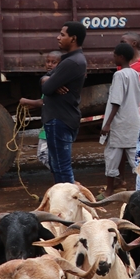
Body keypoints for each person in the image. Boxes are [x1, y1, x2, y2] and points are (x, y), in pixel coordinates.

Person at [38, 20, 88, 184]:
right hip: (61, 118)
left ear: (73, 38)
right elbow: (46, 80)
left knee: (61, 168)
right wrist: (49, 81)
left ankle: (68, 198)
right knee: (57, 166)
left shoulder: (71, 62)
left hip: (60, 119)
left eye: (62, 34)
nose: (58, 37)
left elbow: (46, 88)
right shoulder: (70, 60)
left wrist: (50, 83)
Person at [101, 43, 140, 197]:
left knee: (112, 155)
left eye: (115, 55)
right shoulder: (135, 74)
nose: (113, 58)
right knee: (136, 157)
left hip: (119, 122)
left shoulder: (119, 75)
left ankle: (109, 190)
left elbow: (116, 101)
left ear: (121, 57)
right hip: (133, 121)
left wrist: (107, 124)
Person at [18, 50, 63, 168]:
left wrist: (26, 101)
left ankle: (61, 176)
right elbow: (45, 101)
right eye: (48, 62)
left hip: (53, 124)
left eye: (54, 62)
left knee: (44, 155)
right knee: (51, 156)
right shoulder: (51, 80)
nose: (49, 65)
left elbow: (44, 102)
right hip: (50, 123)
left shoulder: (53, 81)